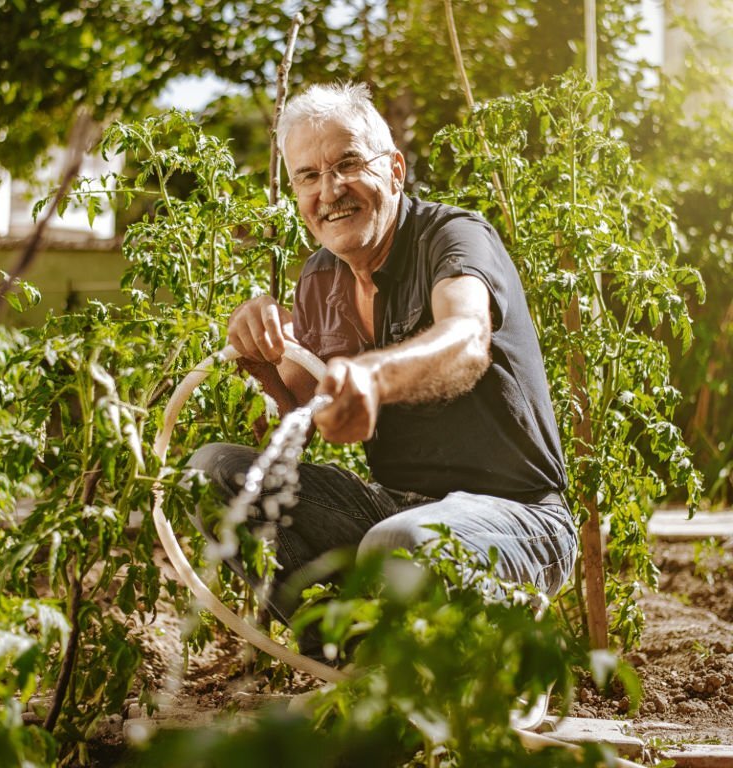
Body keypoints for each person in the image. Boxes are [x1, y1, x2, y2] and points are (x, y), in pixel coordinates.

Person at [187, 82, 577, 644]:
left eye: (347, 164)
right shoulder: (320, 278)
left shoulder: (451, 238)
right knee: (211, 474)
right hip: (395, 511)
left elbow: (466, 338)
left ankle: (482, 669)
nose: (330, 190)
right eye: (309, 176)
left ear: (394, 169)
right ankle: (354, 661)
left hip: (519, 518)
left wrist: (373, 375)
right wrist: (258, 356)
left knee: (400, 544)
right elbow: (284, 417)